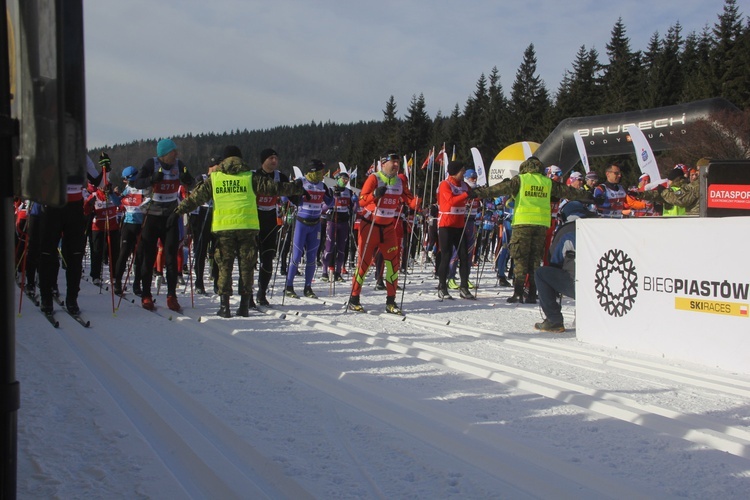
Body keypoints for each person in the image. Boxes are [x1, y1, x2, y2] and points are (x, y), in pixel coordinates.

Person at [175, 145, 303, 317]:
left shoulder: (215, 178)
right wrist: (296, 187)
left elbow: (195, 199)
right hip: (247, 227)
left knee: (225, 266)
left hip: (224, 228)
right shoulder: (250, 176)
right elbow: (274, 188)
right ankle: (244, 305)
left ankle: (224, 306)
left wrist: (176, 212)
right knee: (247, 266)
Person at [473, 156, 592, 304]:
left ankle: (518, 292)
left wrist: (478, 193)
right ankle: (532, 293)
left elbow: (499, 189)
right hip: (541, 224)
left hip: (522, 223)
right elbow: (568, 192)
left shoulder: (521, 179)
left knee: (520, 258)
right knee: (535, 260)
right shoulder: (547, 181)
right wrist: (589, 196)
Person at [347, 150, 420, 314]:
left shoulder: (400, 181)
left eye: (398, 162)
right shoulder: (374, 178)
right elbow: (360, 201)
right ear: (383, 163)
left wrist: (417, 200)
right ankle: (354, 298)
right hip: (370, 226)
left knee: (393, 265)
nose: (396, 165)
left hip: (388, 228)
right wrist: (374, 195)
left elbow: (410, 202)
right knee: (363, 264)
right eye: (392, 162)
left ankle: (391, 301)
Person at [132, 138, 194, 311]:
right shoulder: (151, 163)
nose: (177, 154)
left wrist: (187, 178)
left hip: (171, 216)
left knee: (171, 257)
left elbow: (190, 182)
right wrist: (152, 179)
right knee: (149, 256)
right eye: (173, 151)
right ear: (165, 154)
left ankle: (171, 296)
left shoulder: (178, 164)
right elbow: (137, 182)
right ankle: (146, 295)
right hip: (152, 215)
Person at [38, 154, 103, 315]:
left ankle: (72, 299)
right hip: (52, 206)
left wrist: (105, 169)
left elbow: (99, 182)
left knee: (75, 254)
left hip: (74, 207)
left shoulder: (81, 155)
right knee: (47, 253)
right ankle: (46, 297)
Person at [533, 201, 592, 332]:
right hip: (601, 285)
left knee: (541, 274)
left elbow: (554, 260)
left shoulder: (566, 232)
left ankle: (554, 321)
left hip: (577, 285)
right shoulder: (596, 227)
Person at [284, 159, 332, 299]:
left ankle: (308, 287)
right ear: (313, 172)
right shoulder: (301, 182)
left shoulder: (323, 186)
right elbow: (284, 197)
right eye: (320, 172)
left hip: (315, 225)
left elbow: (330, 203)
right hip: (301, 223)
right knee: (296, 256)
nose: (322, 174)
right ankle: (289, 286)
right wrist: (295, 194)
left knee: (311, 257)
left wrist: (334, 194)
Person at [254, 148, 290, 305]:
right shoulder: (253, 176)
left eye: (276, 158)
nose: (274, 161)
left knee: (268, 258)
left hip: (270, 218)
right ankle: (247, 295)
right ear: (263, 160)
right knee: (250, 260)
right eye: (271, 158)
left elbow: (291, 193)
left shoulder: (280, 176)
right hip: (254, 218)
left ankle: (262, 292)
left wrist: (300, 195)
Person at [437, 161, 477, 300]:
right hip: (446, 225)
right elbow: (450, 201)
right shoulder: (445, 184)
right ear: (455, 171)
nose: (464, 173)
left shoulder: (464, 185)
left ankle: (464, 287)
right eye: (462, 170)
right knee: (446, 256)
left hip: (460, 225)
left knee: (465, 257)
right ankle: (442, 286)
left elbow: (472, 195)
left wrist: (477, 193)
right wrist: (466, 195)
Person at [113, 166, 146, 296]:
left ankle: (137, 285)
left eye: (132, 180)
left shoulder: (143, 187)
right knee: (123, 254)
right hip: (128, 225)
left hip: (141, 225)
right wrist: (110, 193)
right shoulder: (126, 189)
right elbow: (118, 203)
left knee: (139, 257)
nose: (130, 182)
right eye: (128, 180)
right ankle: (117, 283)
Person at [84, 180, 121, 287]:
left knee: (114, 252)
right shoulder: (94, 196)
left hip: (112, 227)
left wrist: (112, 194)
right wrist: (89, 205)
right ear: (99, 187)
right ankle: (95, 276)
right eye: (104, 187)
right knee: (97, 251)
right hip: (98, 228)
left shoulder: (114, 195)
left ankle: (114, 275)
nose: (106, 189)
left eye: (108, 186)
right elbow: (86, 211)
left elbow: (121, 205)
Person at [321, 171, 356, 283]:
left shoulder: (349, 192)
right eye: (343, 179)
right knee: (329, 246)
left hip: (344, 221)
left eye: (347, 179)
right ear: (337, 179)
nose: (345, 181)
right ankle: (325, 272)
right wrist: (332, 200)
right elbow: (323, 208)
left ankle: (338, 273)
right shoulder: (330, 190)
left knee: (341, 248)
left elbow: (354, 210)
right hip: (332, 220)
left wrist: (356, 203)